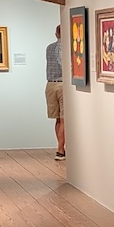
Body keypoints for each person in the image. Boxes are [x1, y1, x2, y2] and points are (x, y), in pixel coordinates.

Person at [45, 25, 65, 160]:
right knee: (64, 119)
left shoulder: (49, 47)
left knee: (58, 119)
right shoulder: (64, 48)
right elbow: (63, 63)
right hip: (62, 84)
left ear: (56, 34)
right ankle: (60, 150)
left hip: (50, 85)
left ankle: (60, 147)